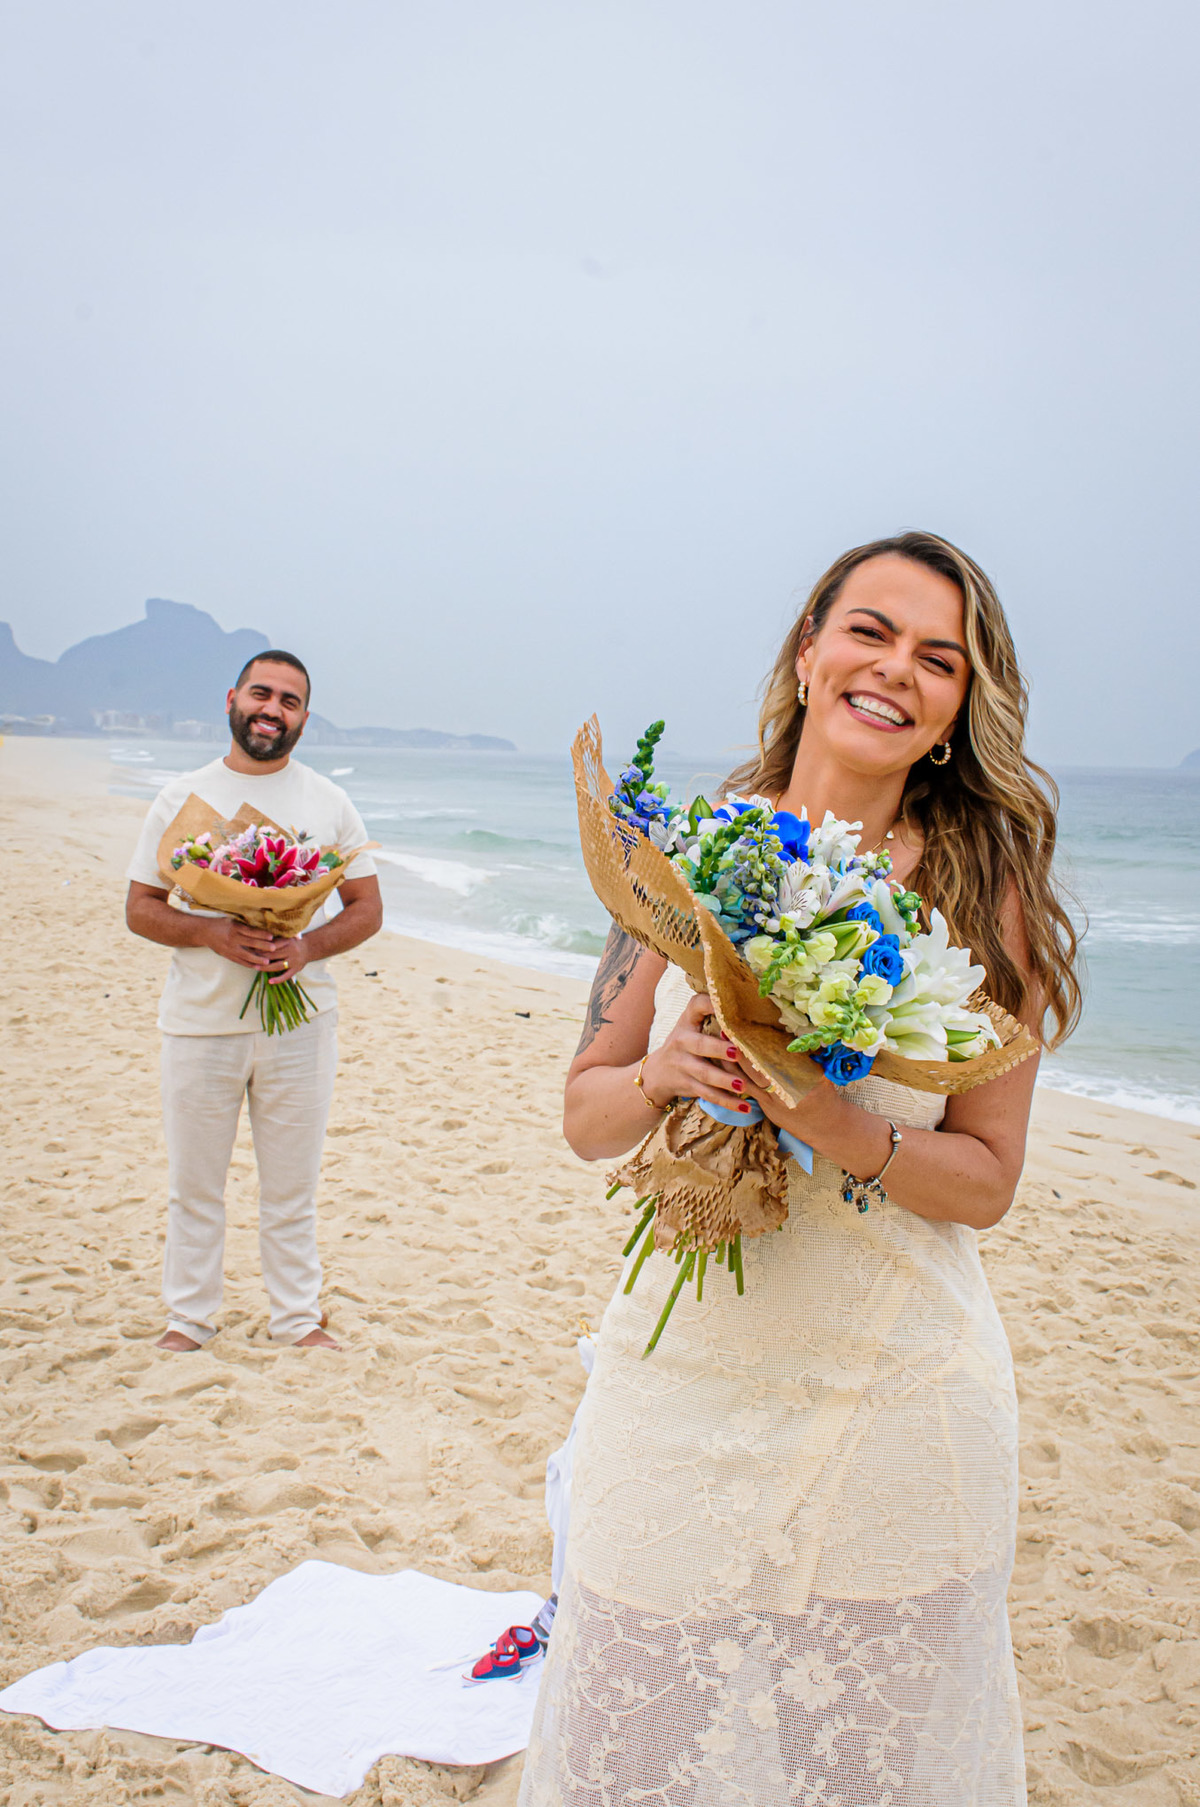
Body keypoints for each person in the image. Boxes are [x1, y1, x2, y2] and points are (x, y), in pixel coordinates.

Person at [519, 533, 1081, 1805]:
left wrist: (853, 1132)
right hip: (678, 1381)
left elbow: (988, 1178)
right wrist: (666, 1073)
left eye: (941, 659)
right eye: (871, 631)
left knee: (863, 1775)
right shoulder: (681, 855)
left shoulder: (988, 894)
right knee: (625, 1753)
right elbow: (586, 1113)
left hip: (898, 1396)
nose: (898, 671)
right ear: (810, 648)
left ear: (955, 712)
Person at [125, 650, 382, 1353]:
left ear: (304, 717)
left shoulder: (328, 801)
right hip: (198, 1023)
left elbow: (366, 908)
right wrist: (212, 931)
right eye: (262, 694)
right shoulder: (181, 798)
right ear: (232, 697)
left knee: (292, 1187)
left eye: (290, 701)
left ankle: (298, 1318)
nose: (273, 709)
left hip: (299, 1025)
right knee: (195, 1185)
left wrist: (305, 948)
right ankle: (189, 1319)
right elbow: (140, 909)